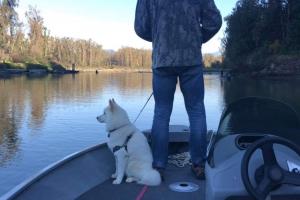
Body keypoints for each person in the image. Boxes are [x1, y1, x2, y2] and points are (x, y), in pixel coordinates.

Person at [134, 0, 222, 180]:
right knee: (197, 111)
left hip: (163, 58)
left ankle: (158, 166)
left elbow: (140, 27)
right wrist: (197, 37)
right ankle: (199, 164)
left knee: (161, 113)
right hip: (191, 58)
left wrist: (161, 37)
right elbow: (214, 21)